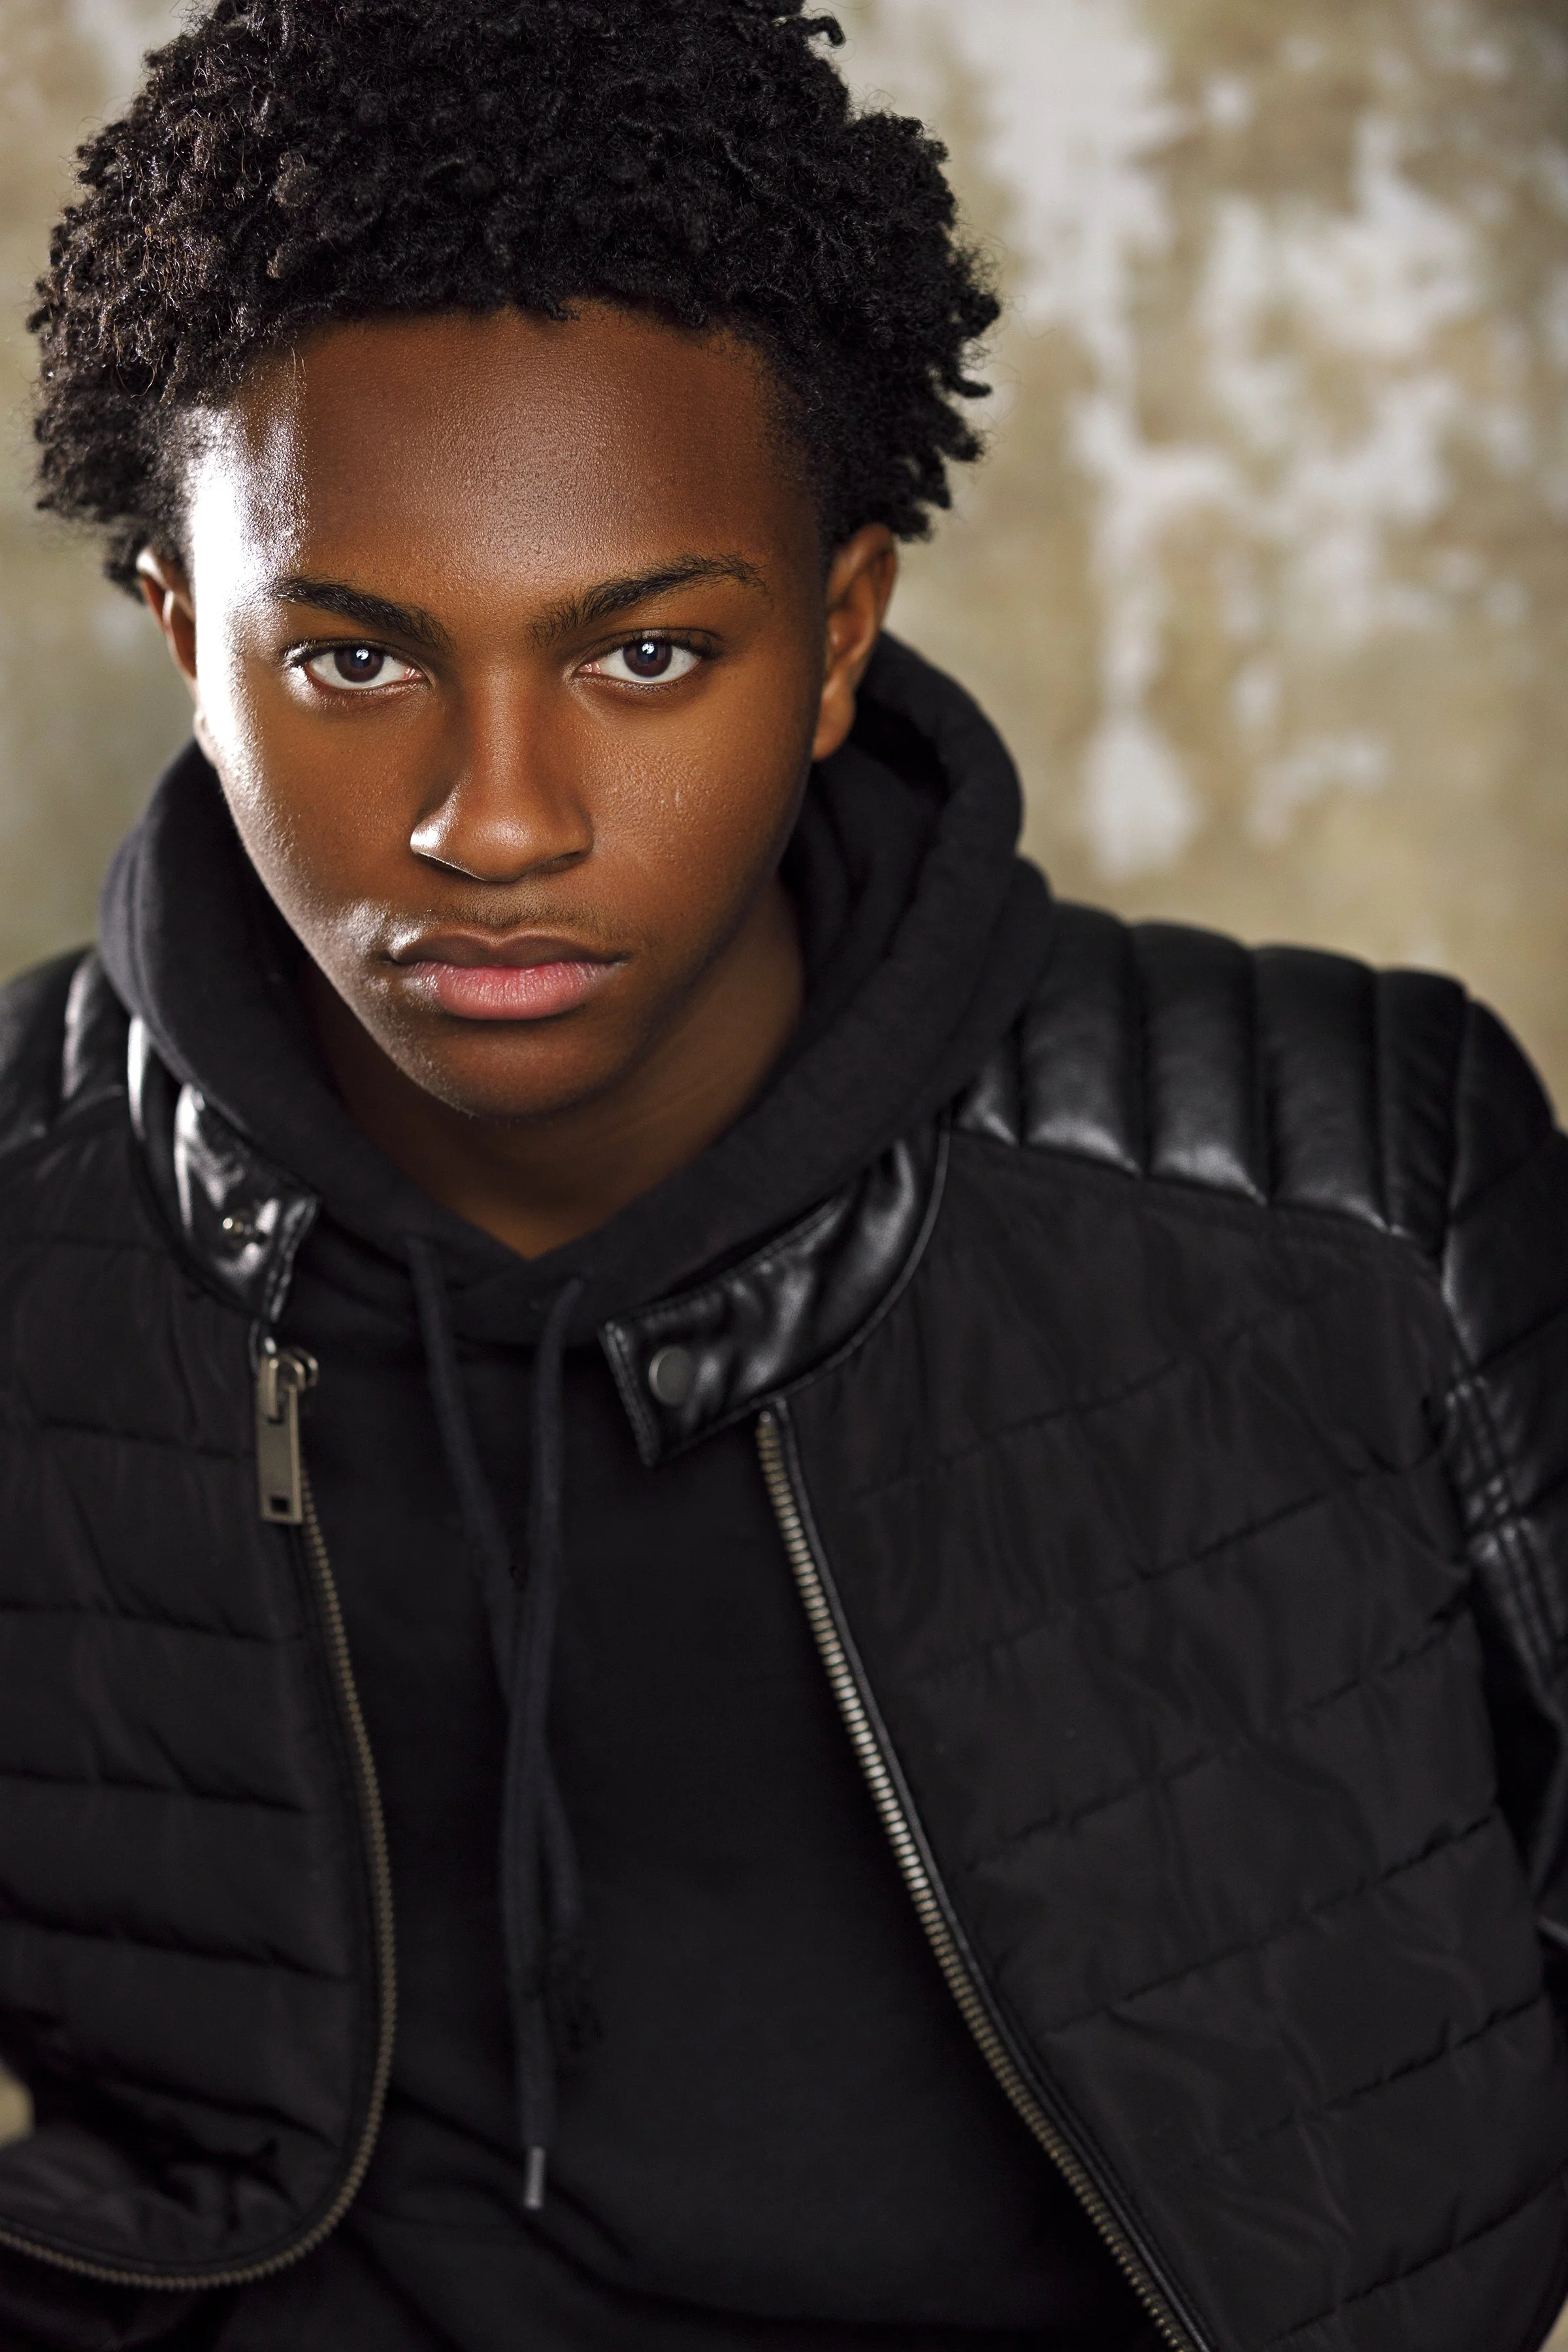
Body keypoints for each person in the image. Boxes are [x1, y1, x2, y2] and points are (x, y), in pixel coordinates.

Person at [1, 0, 1565, 2345]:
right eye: (349, 665)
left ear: (839, 638)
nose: (493, 821)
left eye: (643, 653)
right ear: (183, 633)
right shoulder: (27, 1218)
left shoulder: (1352, 1179)